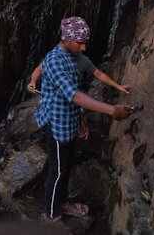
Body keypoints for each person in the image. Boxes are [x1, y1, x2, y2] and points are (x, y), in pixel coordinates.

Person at [34, 17, 130, 222]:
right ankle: (51, 216)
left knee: (66, 166)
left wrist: (81, 121)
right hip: (55, 125)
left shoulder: (75, 57)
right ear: (67, 39)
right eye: (80, 42)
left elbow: (77, 96)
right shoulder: (53, 61)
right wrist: (111, 110)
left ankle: (62, 202)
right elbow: (75, 95)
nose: (84, 47)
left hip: (69, 122)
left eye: (85, 42)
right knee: (58, 170)